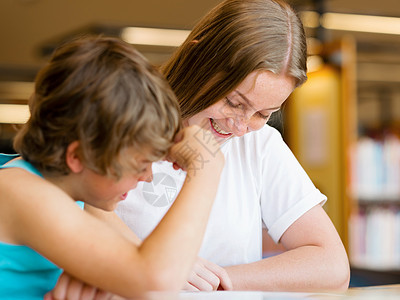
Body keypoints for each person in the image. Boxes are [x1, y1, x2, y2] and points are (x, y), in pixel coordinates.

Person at [114, 0, 350, 292]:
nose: (240, 127)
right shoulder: (117, 123)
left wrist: (216, 279)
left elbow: (333, 266)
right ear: (197, 59)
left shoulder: (260, 145)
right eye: (233, 102)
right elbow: (78, 217)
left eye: (263, 114)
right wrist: (159, 262)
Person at [0, 35, 226, 299]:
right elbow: (154, 280)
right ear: (78, 155)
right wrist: (207, 169)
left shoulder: (66, 196)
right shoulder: (22, 192)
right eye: (140, 164)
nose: (148, 177)